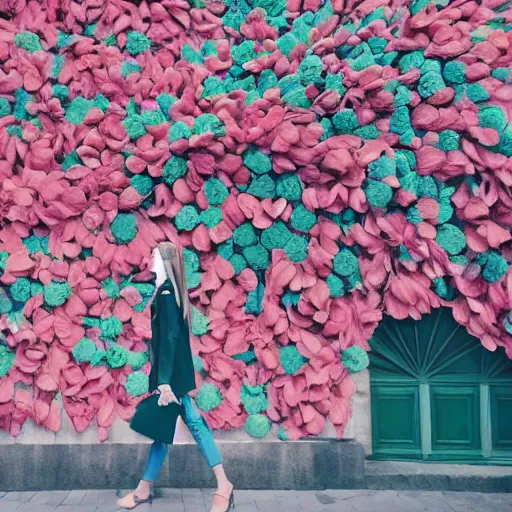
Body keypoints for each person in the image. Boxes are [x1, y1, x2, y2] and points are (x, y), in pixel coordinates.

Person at [117, 242, 234, 511]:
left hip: (173, 379)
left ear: (165, 261)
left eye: (154, 254)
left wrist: (165, 382)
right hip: (173, 376)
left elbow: (169, 339)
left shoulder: (167, 293)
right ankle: (144, 488)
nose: (150, 257)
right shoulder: (168, 291)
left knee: (192, 424)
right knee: (165, 428)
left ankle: (222, 485)